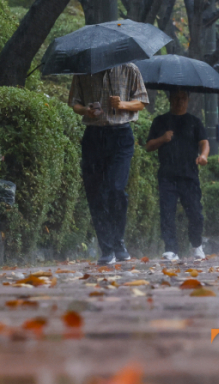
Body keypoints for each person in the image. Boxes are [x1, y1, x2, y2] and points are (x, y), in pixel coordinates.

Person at [68, 63, 149, 265]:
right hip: (93, 136)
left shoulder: (130, 69)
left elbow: (141, 102)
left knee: (116, 189)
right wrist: (85, 111)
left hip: (120, 135)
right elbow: (74, 102)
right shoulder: (83, 69)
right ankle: (107, 249)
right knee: (95, 193)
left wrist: (122, 105)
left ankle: (118, 241)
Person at [145, 90, 209, 261]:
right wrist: (163, 139)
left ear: (188, 100)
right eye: (176, 98)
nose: (180, 101)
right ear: (170, 99)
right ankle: (171, 248)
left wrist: (203, 156)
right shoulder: (160, 121)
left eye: (183, 98)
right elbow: (149, 145)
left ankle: (196, 245)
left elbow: (204, 142)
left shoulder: (194, 122)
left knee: (196, 213)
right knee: (167, 213)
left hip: (189, 176)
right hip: (167, 176)